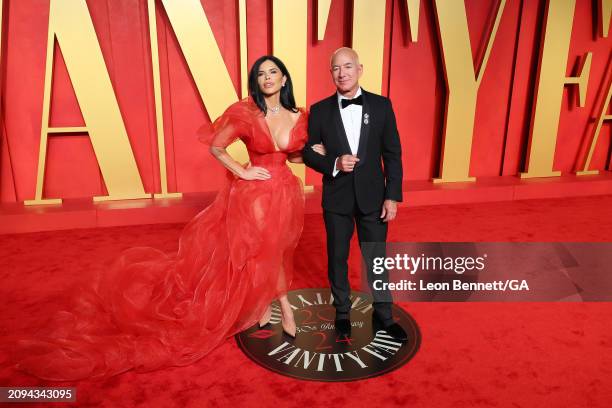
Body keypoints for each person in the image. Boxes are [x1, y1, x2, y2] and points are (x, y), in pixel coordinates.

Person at [7, 56, 324, 381]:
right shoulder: (245, 114)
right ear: (255, 82)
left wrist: (315, 155)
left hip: (284, 192)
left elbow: (294, 153)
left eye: (273, 72)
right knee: (258, 252)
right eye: (261, 74)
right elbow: (217, 147)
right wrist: (242, 171)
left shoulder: (301, 116)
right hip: (253, 196)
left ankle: (261, 306)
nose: (267, 77)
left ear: (284, 80)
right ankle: (283, 309)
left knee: (280, 250)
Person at [302, 47, 408, 341]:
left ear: (360, 69)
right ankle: (343, 313)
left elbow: (393, 153)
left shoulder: (382, 105)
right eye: (336, 68)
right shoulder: (320, 110)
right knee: (337, 257)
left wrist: (392, 196)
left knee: (376, 258)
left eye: (348, 66)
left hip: (374, 198)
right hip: (336, 199)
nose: (342, 73)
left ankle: (384, 315)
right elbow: (308, 153)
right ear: (331, 74)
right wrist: (333, 162)